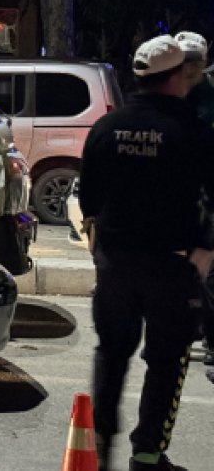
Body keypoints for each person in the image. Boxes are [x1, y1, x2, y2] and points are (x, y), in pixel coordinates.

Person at [80, 35, 214, 471]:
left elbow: (89, 199)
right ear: (176, 76)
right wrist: (205, 250)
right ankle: (148, 455)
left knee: (111, 352)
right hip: (171, 266)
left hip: (116, 264)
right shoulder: (191, 131)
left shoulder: (106, 127)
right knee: (167, 360)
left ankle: (99, 445)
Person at [176, 31, 214, 385]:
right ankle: (179, 334)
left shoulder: (209, 93)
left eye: (194, 61)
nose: (188, 68)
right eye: (183, 60)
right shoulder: (170, 92)